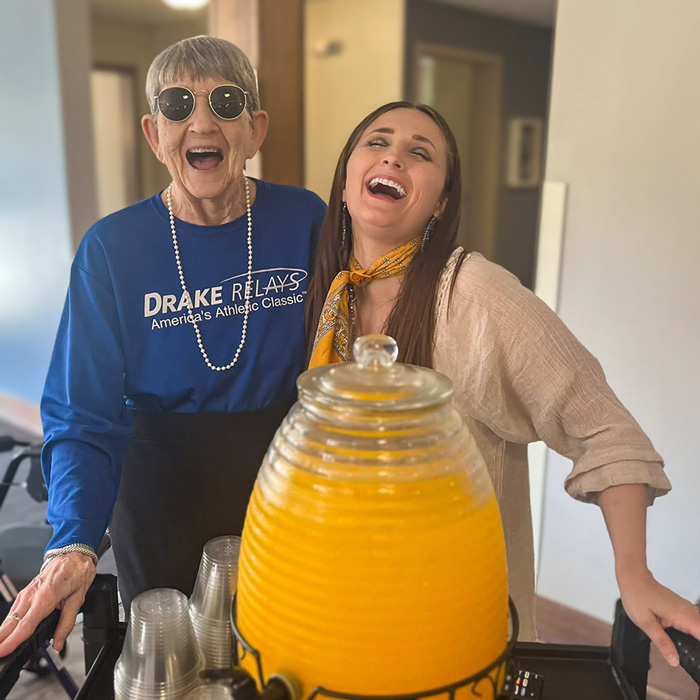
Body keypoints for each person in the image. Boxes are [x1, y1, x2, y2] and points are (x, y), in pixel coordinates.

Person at [305, 101, 700, 660]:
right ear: (346, 180)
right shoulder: (323, 293)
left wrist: (634, 575)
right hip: (339, 603)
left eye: (419, 153)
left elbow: (607, 433)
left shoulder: (476, 296)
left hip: (454, 621)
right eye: (377, 142)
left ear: (441, 203)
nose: (393, 155)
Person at [0, 36, 325, 657]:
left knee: (284, 649)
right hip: (158, 487)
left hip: (283, 479)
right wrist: (72, 541)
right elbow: (81, 411)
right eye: (178, 105)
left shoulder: (304, 219)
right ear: (154, 133)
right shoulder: (112, 249)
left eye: (225, 103)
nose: (201, 121)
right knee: (174, 661)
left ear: (254, 130)